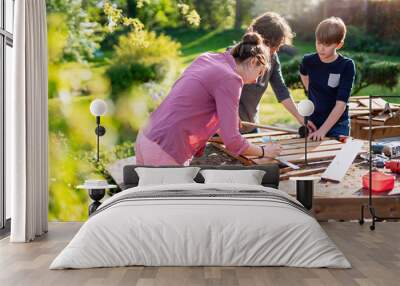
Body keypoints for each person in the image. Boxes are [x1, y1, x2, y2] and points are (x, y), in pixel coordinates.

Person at [135, 32, 282, 166]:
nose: (256, 81)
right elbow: (232, 141)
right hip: (166, 148)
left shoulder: (208, 57)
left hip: (147, 136)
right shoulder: (231, 79)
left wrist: (227, 119)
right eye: (259, 73)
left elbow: (190, 101)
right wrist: (264, 151)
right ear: (252, 62)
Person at [239, 12, 311, 134]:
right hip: (226, 127)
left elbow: (281, 90)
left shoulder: (272, 58)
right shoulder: (236, 56)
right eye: (275, 45)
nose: (277, 49)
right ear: (263, 40)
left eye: (279, 45)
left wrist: (301, 119)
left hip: (251, 126)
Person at [299, 17, 356, 141]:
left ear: (339, 44)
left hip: (338, 125)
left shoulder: (346, 65)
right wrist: (311, 90)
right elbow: (303, 73)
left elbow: (341, 104)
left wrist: (323, 131)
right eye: (319, 42)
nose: (321, 48)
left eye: (327, 44)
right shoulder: (308, 61)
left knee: (338, 159)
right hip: (314, 122)